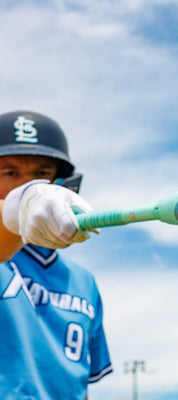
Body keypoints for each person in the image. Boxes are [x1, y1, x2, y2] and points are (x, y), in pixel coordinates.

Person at [0, 111, 112, 399]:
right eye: (10, 173)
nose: (29, 185)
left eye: (42, 174)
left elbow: (81, 384)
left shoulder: (84, 282)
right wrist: (19, 208)